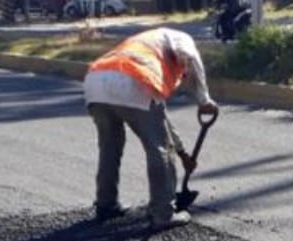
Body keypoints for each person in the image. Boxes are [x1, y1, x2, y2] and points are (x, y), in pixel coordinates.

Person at [83, 27, 219, 230]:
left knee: (110, 146)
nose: (182, 76)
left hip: (96, 80)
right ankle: (163, 213)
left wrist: (183, 154)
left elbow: (161, 119)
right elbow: (191, 56)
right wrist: (204, 99)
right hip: (133, 82)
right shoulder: (180, 38)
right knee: (160, 150)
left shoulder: (149, 43)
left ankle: (106, 204)